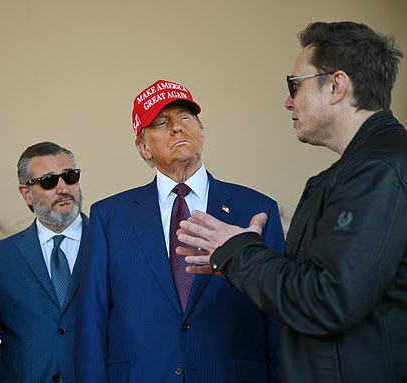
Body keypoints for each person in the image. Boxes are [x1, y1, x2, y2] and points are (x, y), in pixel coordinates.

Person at [178, 21, 406, 383]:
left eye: (294, 85)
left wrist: (237, 252)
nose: (287, 100)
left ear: (336, 85)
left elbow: (327, 299)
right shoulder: (359, 170)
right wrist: (242, 252)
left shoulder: (378, 171)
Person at [75, 79, 285, 382]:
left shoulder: (257, 210)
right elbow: (91, 324)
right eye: (161, 122)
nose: (176, 127)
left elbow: (278, 318)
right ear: (144, 148)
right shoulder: (109, 217)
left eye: (185, 118)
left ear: (202, 132)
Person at [0, 141, 87, 383]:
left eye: (70, 177)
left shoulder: (109, 244)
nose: (63, 188)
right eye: (49, 181)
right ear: (26, 193)